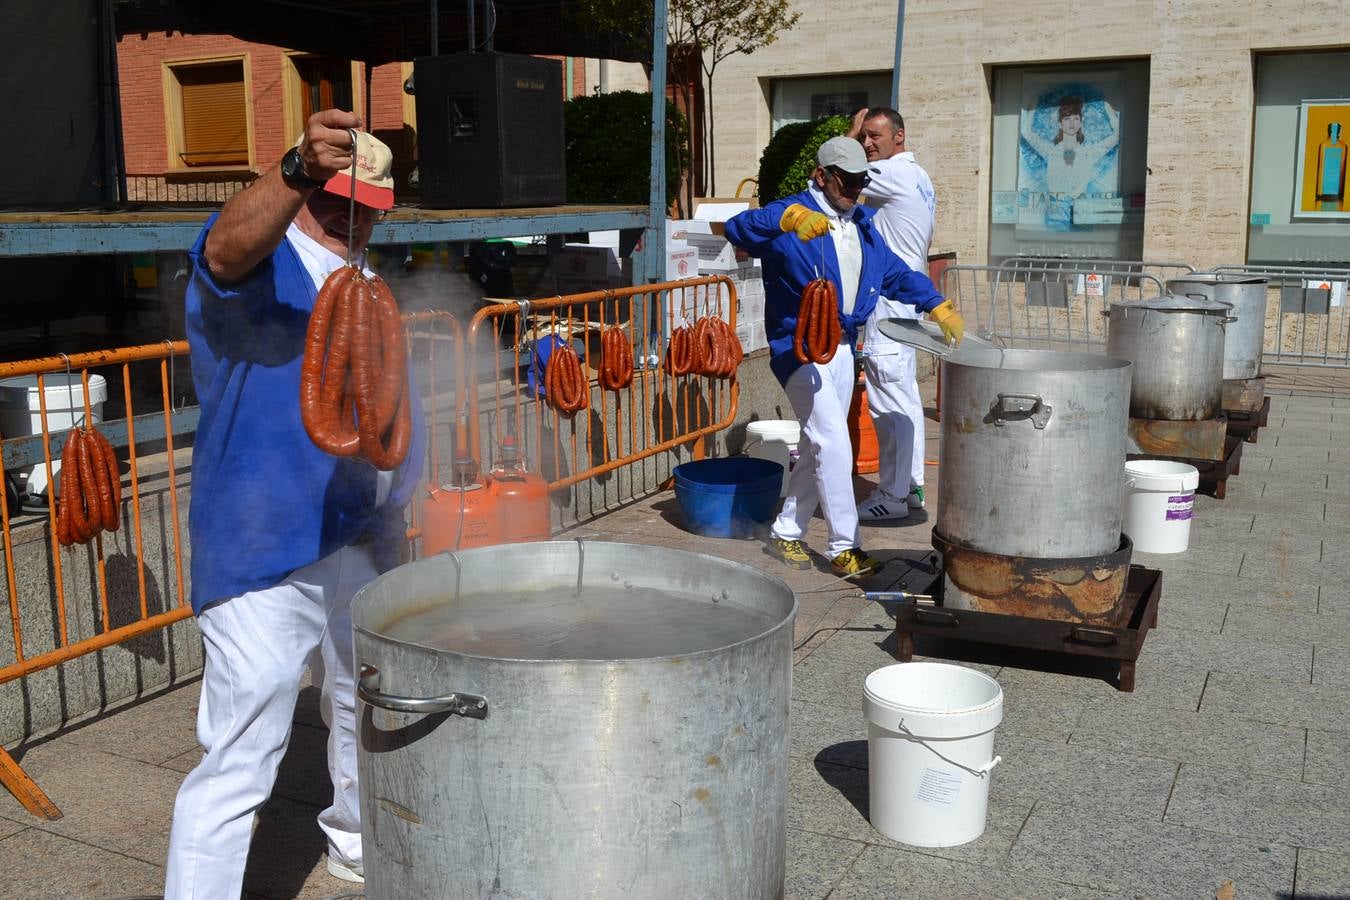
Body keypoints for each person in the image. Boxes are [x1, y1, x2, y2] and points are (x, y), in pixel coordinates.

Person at [165, 109, 425, 897]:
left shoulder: (369, 284)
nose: (351, 218)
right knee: (242, 753)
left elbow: (386, 416)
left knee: (358, 701)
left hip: (359, 538)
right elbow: (220, 248)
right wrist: (294, 168)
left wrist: (397, 511)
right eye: (335, 199)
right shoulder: (262, 267)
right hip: (258, 553)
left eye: (366, 206)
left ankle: (354, 840)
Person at [725, 137, 963, 576]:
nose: (855, 189)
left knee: (820, 447)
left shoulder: (865, 224)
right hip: (798, 348)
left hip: (842, 346)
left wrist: (935, 304)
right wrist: (786, 219)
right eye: (847, 181)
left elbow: (894, 273)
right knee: (834, 443)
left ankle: (786, 532)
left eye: (860, 182)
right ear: (822, 175)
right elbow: (736, 228)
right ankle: (843, 546)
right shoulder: (790, 213)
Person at [846, 106, 936, 521]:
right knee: (906, 398)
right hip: (906, 302)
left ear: (898, 137)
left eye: (874, 136)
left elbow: (839, 172)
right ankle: (910, 487)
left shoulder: (893, 174)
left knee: (888, 403)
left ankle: (894, 495)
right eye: (863, 136)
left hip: (891, 304)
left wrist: (847, 133)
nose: (867, 144)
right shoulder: (918, 177)